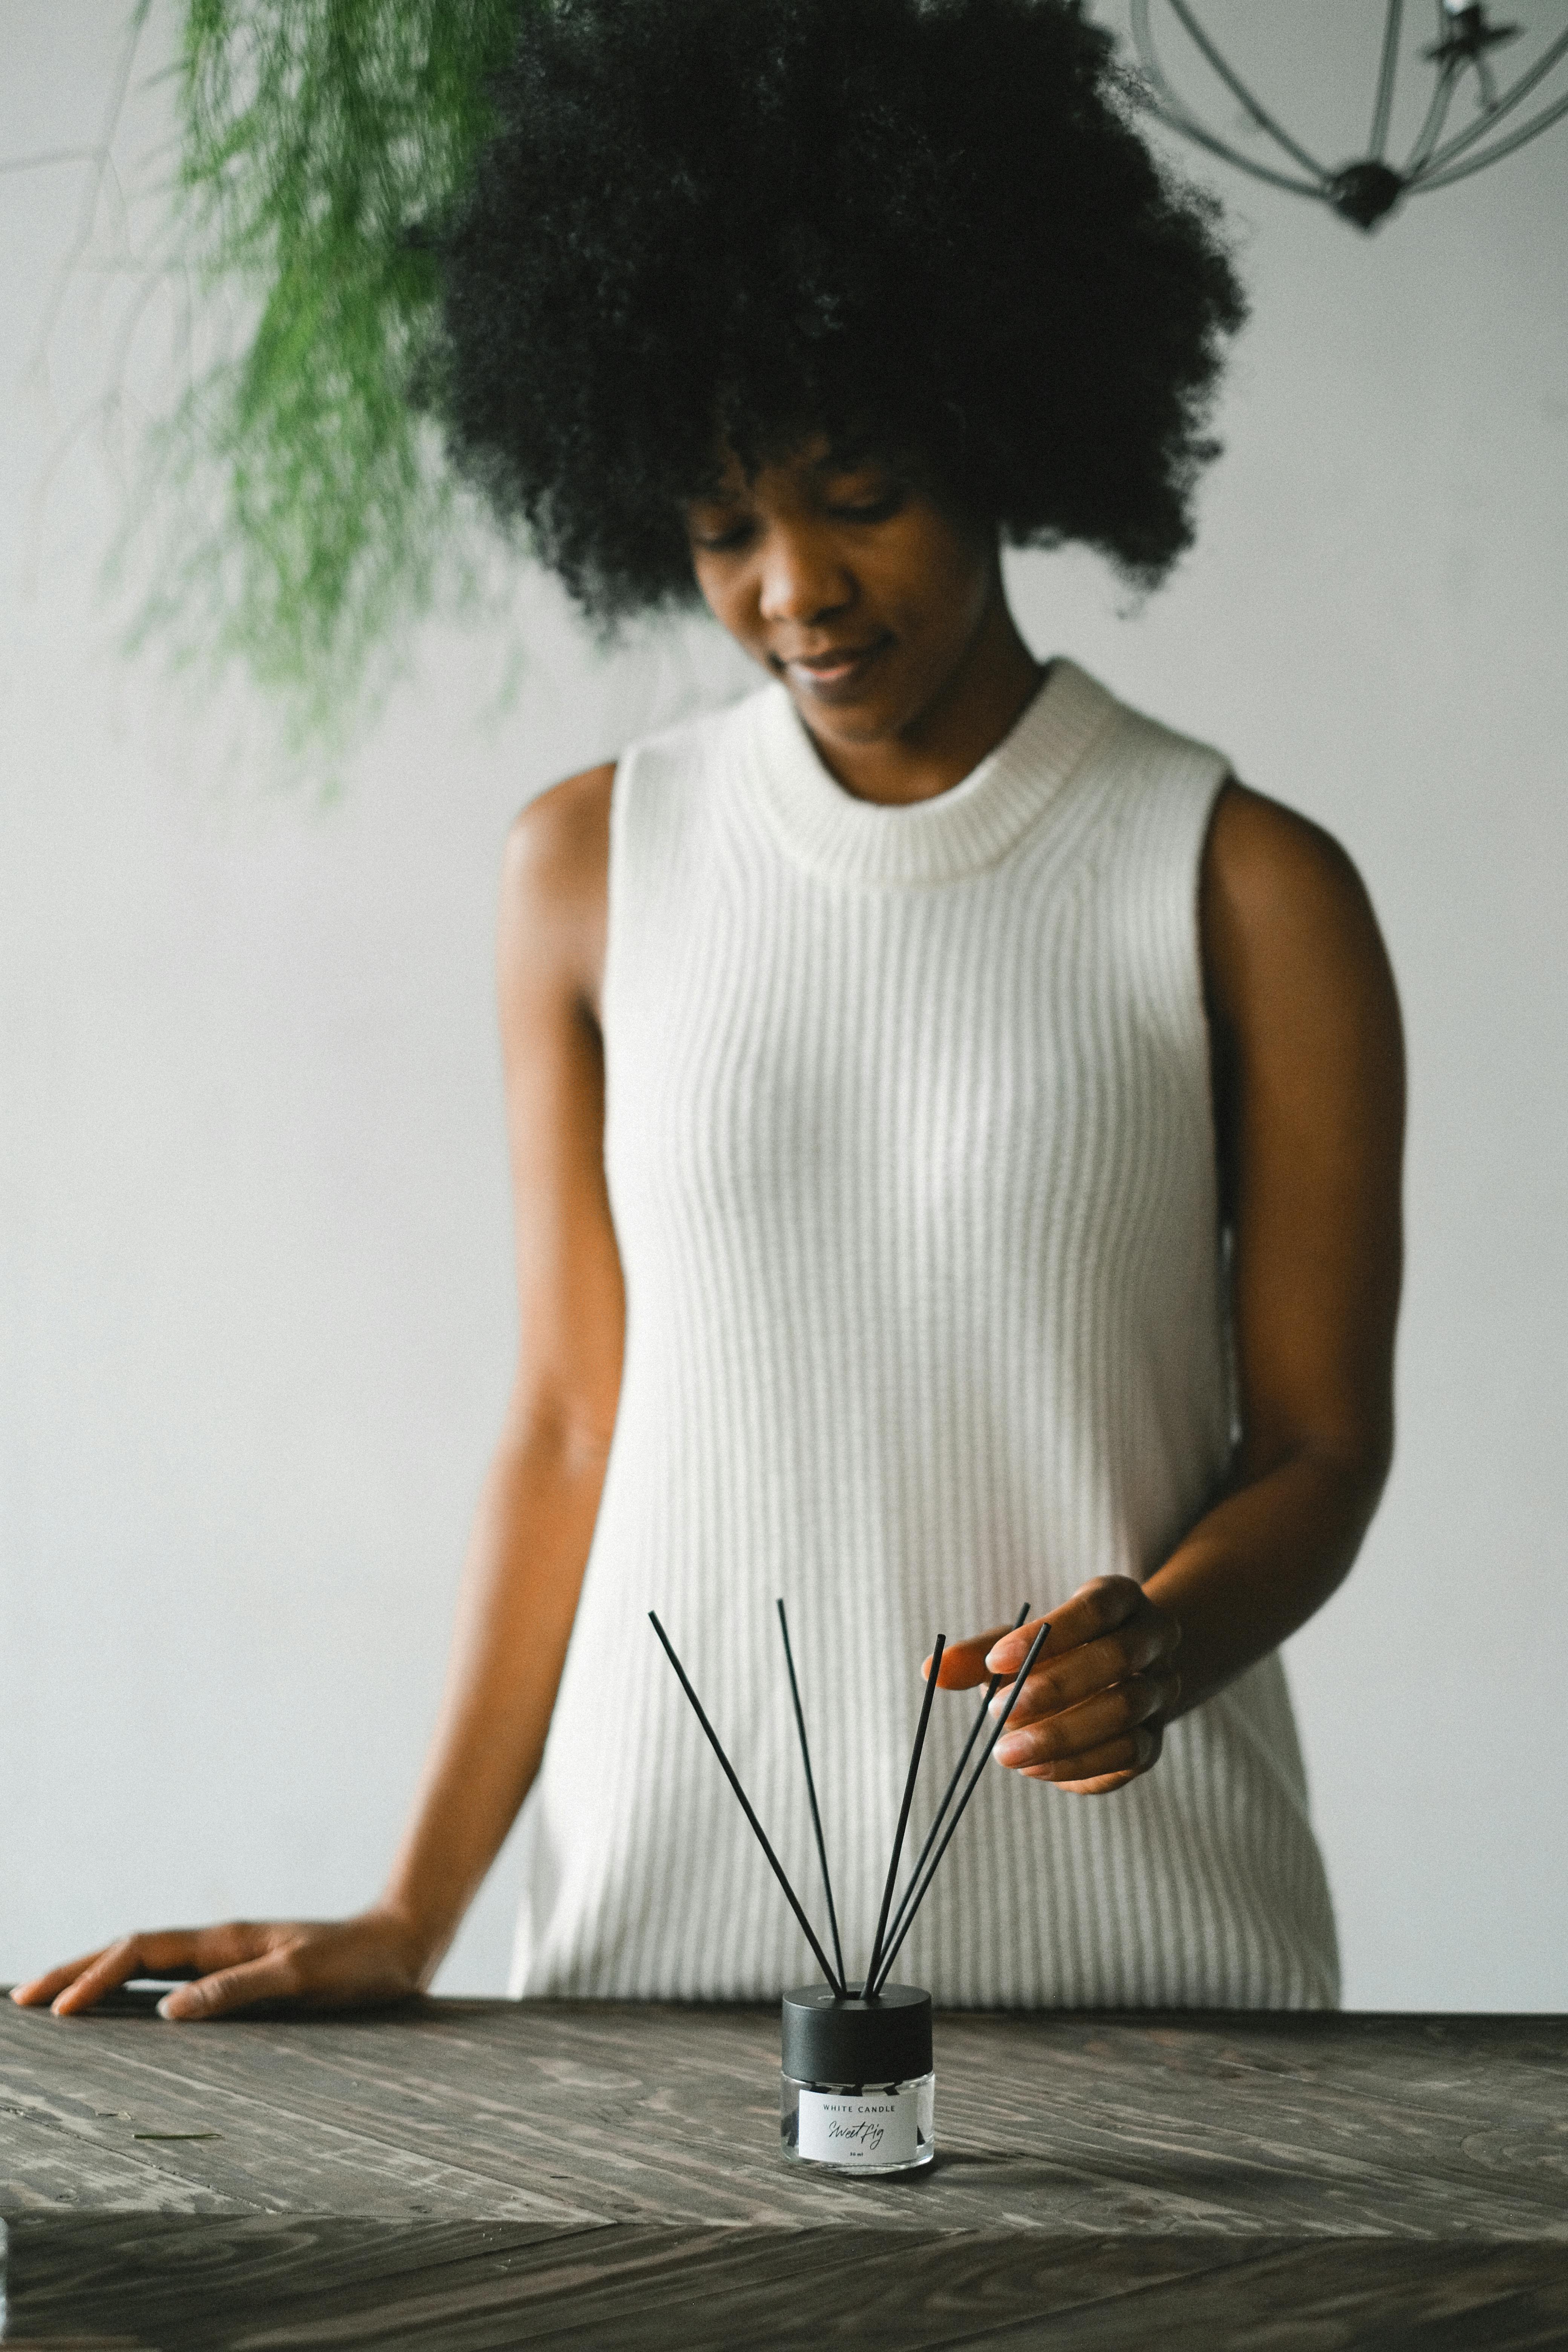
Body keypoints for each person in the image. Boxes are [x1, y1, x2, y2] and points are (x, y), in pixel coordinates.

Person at [15, 0, 1402, 2023]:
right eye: (721, 524)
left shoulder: (1246, 885)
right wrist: (414, 1912)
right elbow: (578, 1427)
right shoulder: (589, 869)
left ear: (1006, 431)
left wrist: (1166, 1645)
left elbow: (1320, 1447)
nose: (794, 588)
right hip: (664, 1974)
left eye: (860, 490)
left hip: (1158, 1981)